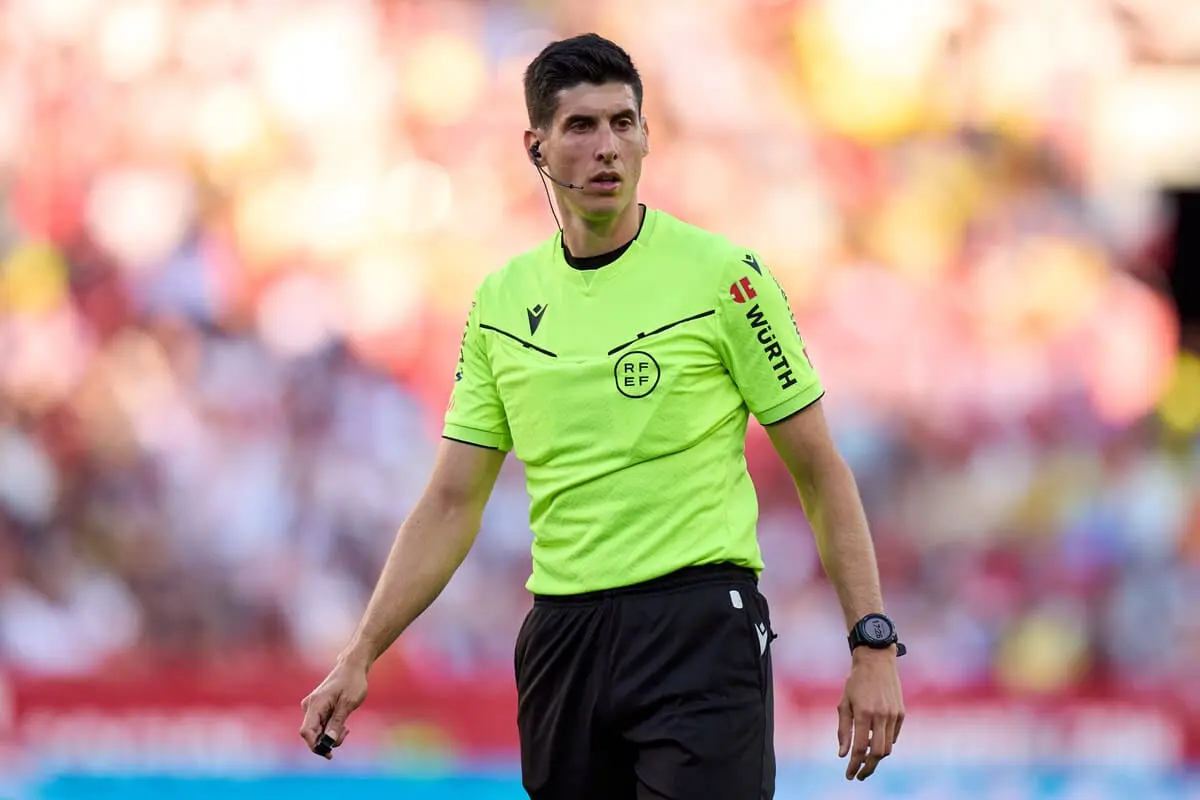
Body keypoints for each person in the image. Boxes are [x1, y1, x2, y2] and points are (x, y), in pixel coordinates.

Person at [299, 32, 906, 799]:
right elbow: (452, 501)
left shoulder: (726, 278)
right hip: (564, 639)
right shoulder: (501, 302)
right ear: (537, 147)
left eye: (624, 123)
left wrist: (872, 643)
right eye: (581, 126)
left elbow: (820, 470)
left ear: (648, 136)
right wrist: (361, 652)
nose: (607, 146)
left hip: (698, 629)